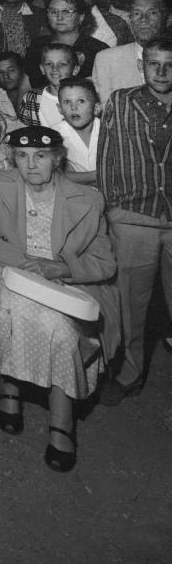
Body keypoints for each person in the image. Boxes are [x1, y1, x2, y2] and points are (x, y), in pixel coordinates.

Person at [0, 126, 120, 472]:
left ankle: (62, 417)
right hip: (10, 272)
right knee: (12, 309)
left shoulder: (87, 200)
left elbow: (104, 263)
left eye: (40, 156)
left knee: (62, 330)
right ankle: (11, 385)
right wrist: (28, 265)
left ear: (57, 159)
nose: (31, 165)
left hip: (66, 285)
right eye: (22, 157)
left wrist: (60, 268)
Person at [97, 36, 172, 405]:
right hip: (133, 219)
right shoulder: (121, 101)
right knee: (132, 305)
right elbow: (105, 159)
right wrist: (114, 209)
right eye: (154, 63)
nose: (161, 71)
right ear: (142, 65)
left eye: (169, 64)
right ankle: (130, 372)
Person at [23, 0, 107, 89]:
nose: (59, 17)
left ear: (81, 17)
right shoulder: (38, 44)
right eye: (53, 12)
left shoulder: (97, 49)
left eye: (66, 12)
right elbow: (25, 86)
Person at [92, 0, 166, 104]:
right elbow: (107, 111)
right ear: (129, 19)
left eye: (152, 13)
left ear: (167, 19)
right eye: (137, 13)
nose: (143, 20)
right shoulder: (107, 59)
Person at [53, 78, 99, 186]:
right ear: (59, 108)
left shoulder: (108, 129)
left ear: (96, 108)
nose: (73, 107)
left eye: (81, 101)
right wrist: (96, 175)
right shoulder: (55, 135)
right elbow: (57, 175)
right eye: (67, 102)